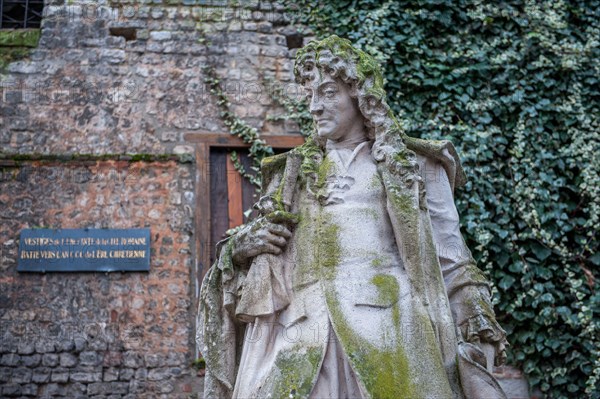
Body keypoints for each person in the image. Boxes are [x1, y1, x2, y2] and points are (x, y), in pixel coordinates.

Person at [197, 35, 508, 399]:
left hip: (393, 339)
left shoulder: (413, 167)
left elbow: (453, 261)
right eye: (310, 95)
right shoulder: (288, 177)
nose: (314, 107)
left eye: (328, 92)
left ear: (360, 96)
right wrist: (238, 250)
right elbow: (257, 266)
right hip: (298, 340)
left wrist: (475, 319)